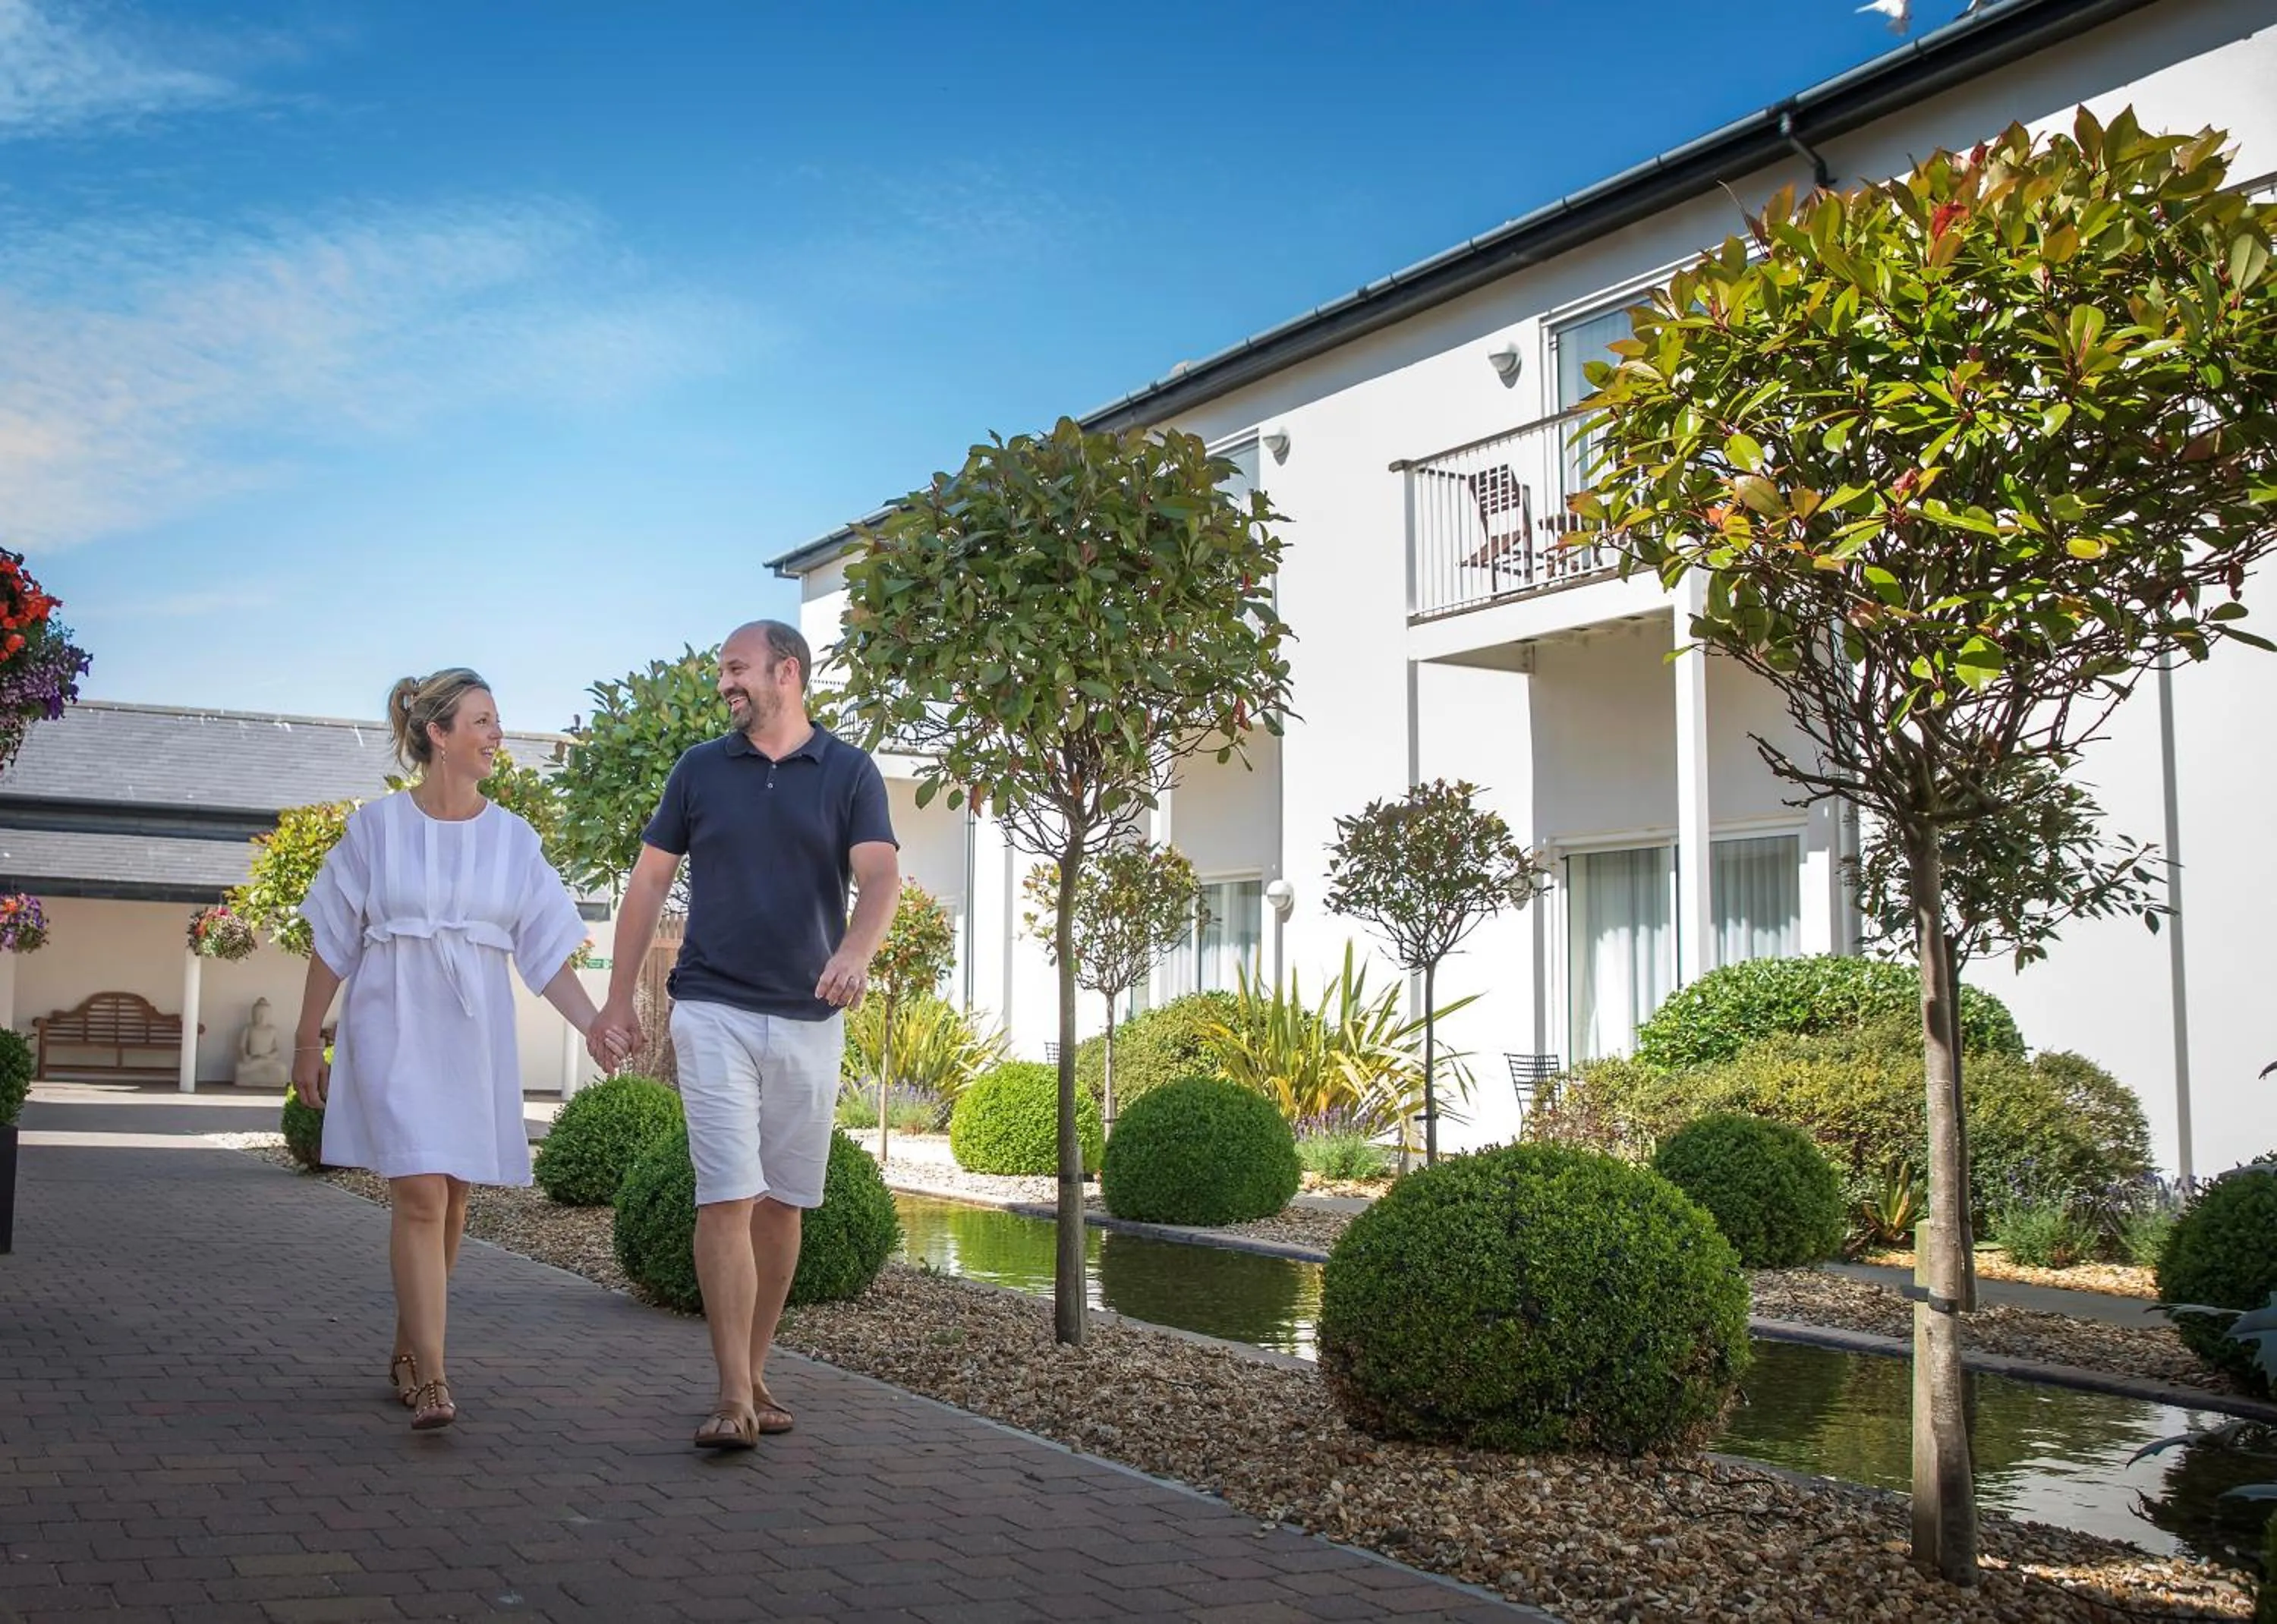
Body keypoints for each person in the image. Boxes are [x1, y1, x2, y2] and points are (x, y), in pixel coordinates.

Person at [589, 620, 899, 1450]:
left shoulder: (848, 771)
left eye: (736, 669)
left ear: (785, 671)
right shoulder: (699, 769)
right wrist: (619, 998)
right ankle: (730, 1394)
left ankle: (756, 1370)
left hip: (808, 1017)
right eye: (724, 672)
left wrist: (855, 951)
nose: (725, 684)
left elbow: (879, 875)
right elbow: (650, 881)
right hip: (713, 1005)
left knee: (785, 1204)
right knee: (726, 1190)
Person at [291, 669, 617, 1431]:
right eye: (483, 719)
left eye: (498, 720)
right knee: (420, 1194)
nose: (497, 733)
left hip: (473, 1036)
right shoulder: (373, 829)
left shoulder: (513, 839)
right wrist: (309, 1037)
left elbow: (545, 953)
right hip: (392, 1023)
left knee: (455, 1198)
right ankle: (435, 1375)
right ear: (438, 734)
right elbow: (333, 940)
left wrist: (595, 1023)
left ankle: (409, 1350)